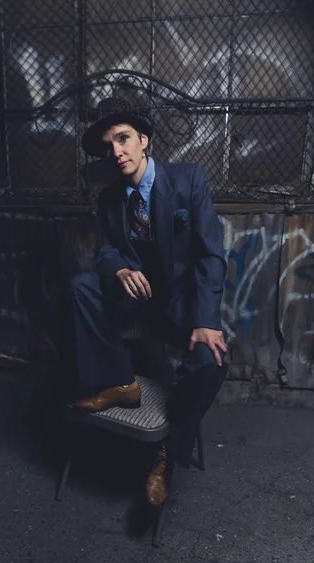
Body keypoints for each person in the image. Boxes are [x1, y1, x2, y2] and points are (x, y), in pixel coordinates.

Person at [70, 97, 228, 506]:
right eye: (108, 146)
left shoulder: (189, 180)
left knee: (211, 364)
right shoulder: (110, 198)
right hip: (136, 302)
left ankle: (168, 455)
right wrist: (120, 269)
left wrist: (206, 320)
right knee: (83, 285)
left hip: (182, 304)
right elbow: (106, 251)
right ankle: (122, 383)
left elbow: (210, 253)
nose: (116, 152)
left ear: (143, 140)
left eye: (123, 139)